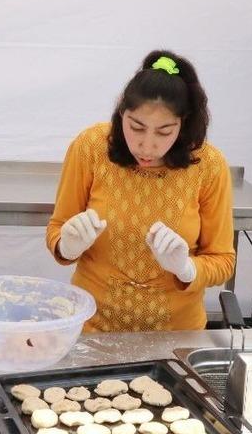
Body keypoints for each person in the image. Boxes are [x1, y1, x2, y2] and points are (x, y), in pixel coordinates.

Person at [46, 50, 236, 332]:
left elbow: (222, 260)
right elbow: (57, 228)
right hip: (93, 328)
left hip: (176, 334)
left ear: (183, 124)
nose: (147, 146)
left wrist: (186, 268)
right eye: (136, 127)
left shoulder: (209, 166)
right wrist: (67, 245)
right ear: (121, 114)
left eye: (164, 132)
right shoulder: (91, 148)